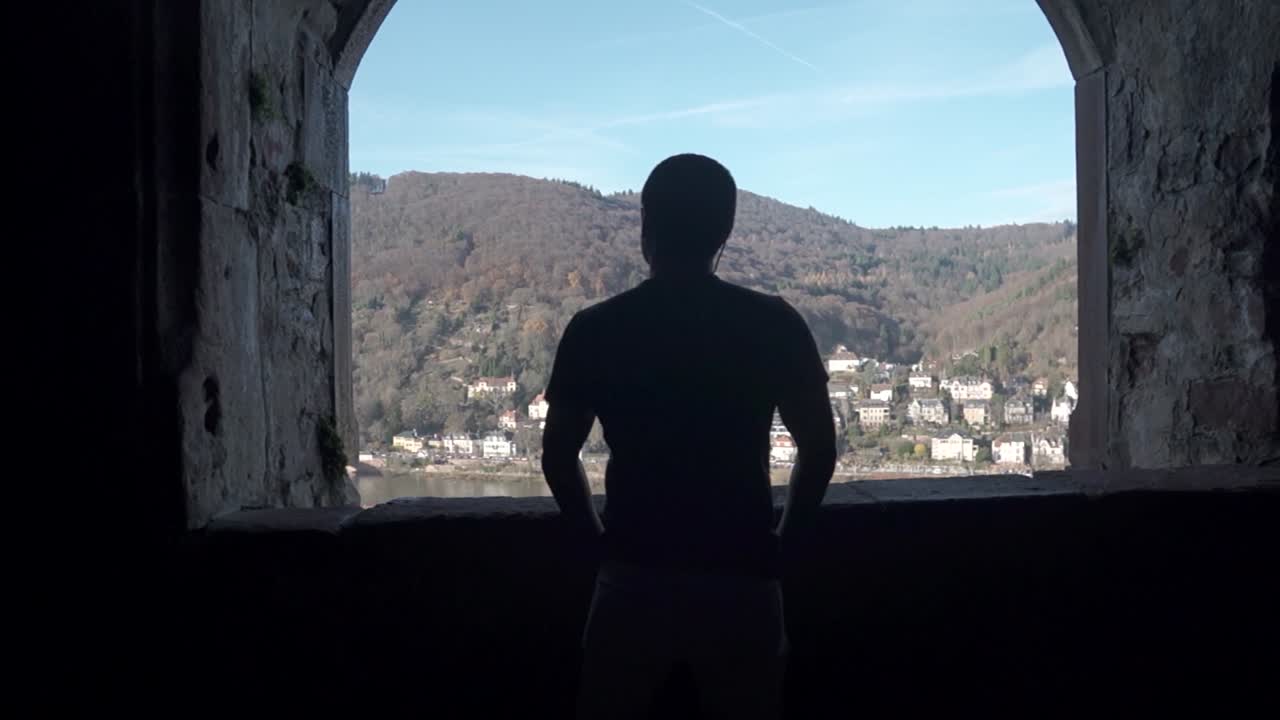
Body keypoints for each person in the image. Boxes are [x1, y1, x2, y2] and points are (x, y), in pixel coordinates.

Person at [541, 153, 837, 719]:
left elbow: (558, 456)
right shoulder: (774, 323)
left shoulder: (597, 328)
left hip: (633, 572)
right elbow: (819, 450)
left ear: (646, 226)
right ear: (724, 232)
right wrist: (784, 542)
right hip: (741, 574)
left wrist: (596, 541)